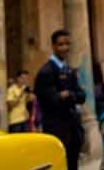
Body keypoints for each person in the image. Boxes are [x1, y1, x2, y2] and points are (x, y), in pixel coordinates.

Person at [34, 29, 87, 170]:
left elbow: (82, 96)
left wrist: (68, 94)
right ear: (53, 46)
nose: (64, 48)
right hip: (57, 130)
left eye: (67, 44)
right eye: (60, 44)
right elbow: (53, 101)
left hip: (73, 129)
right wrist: (70, 96)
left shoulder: (69, 70)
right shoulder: (46, 72)